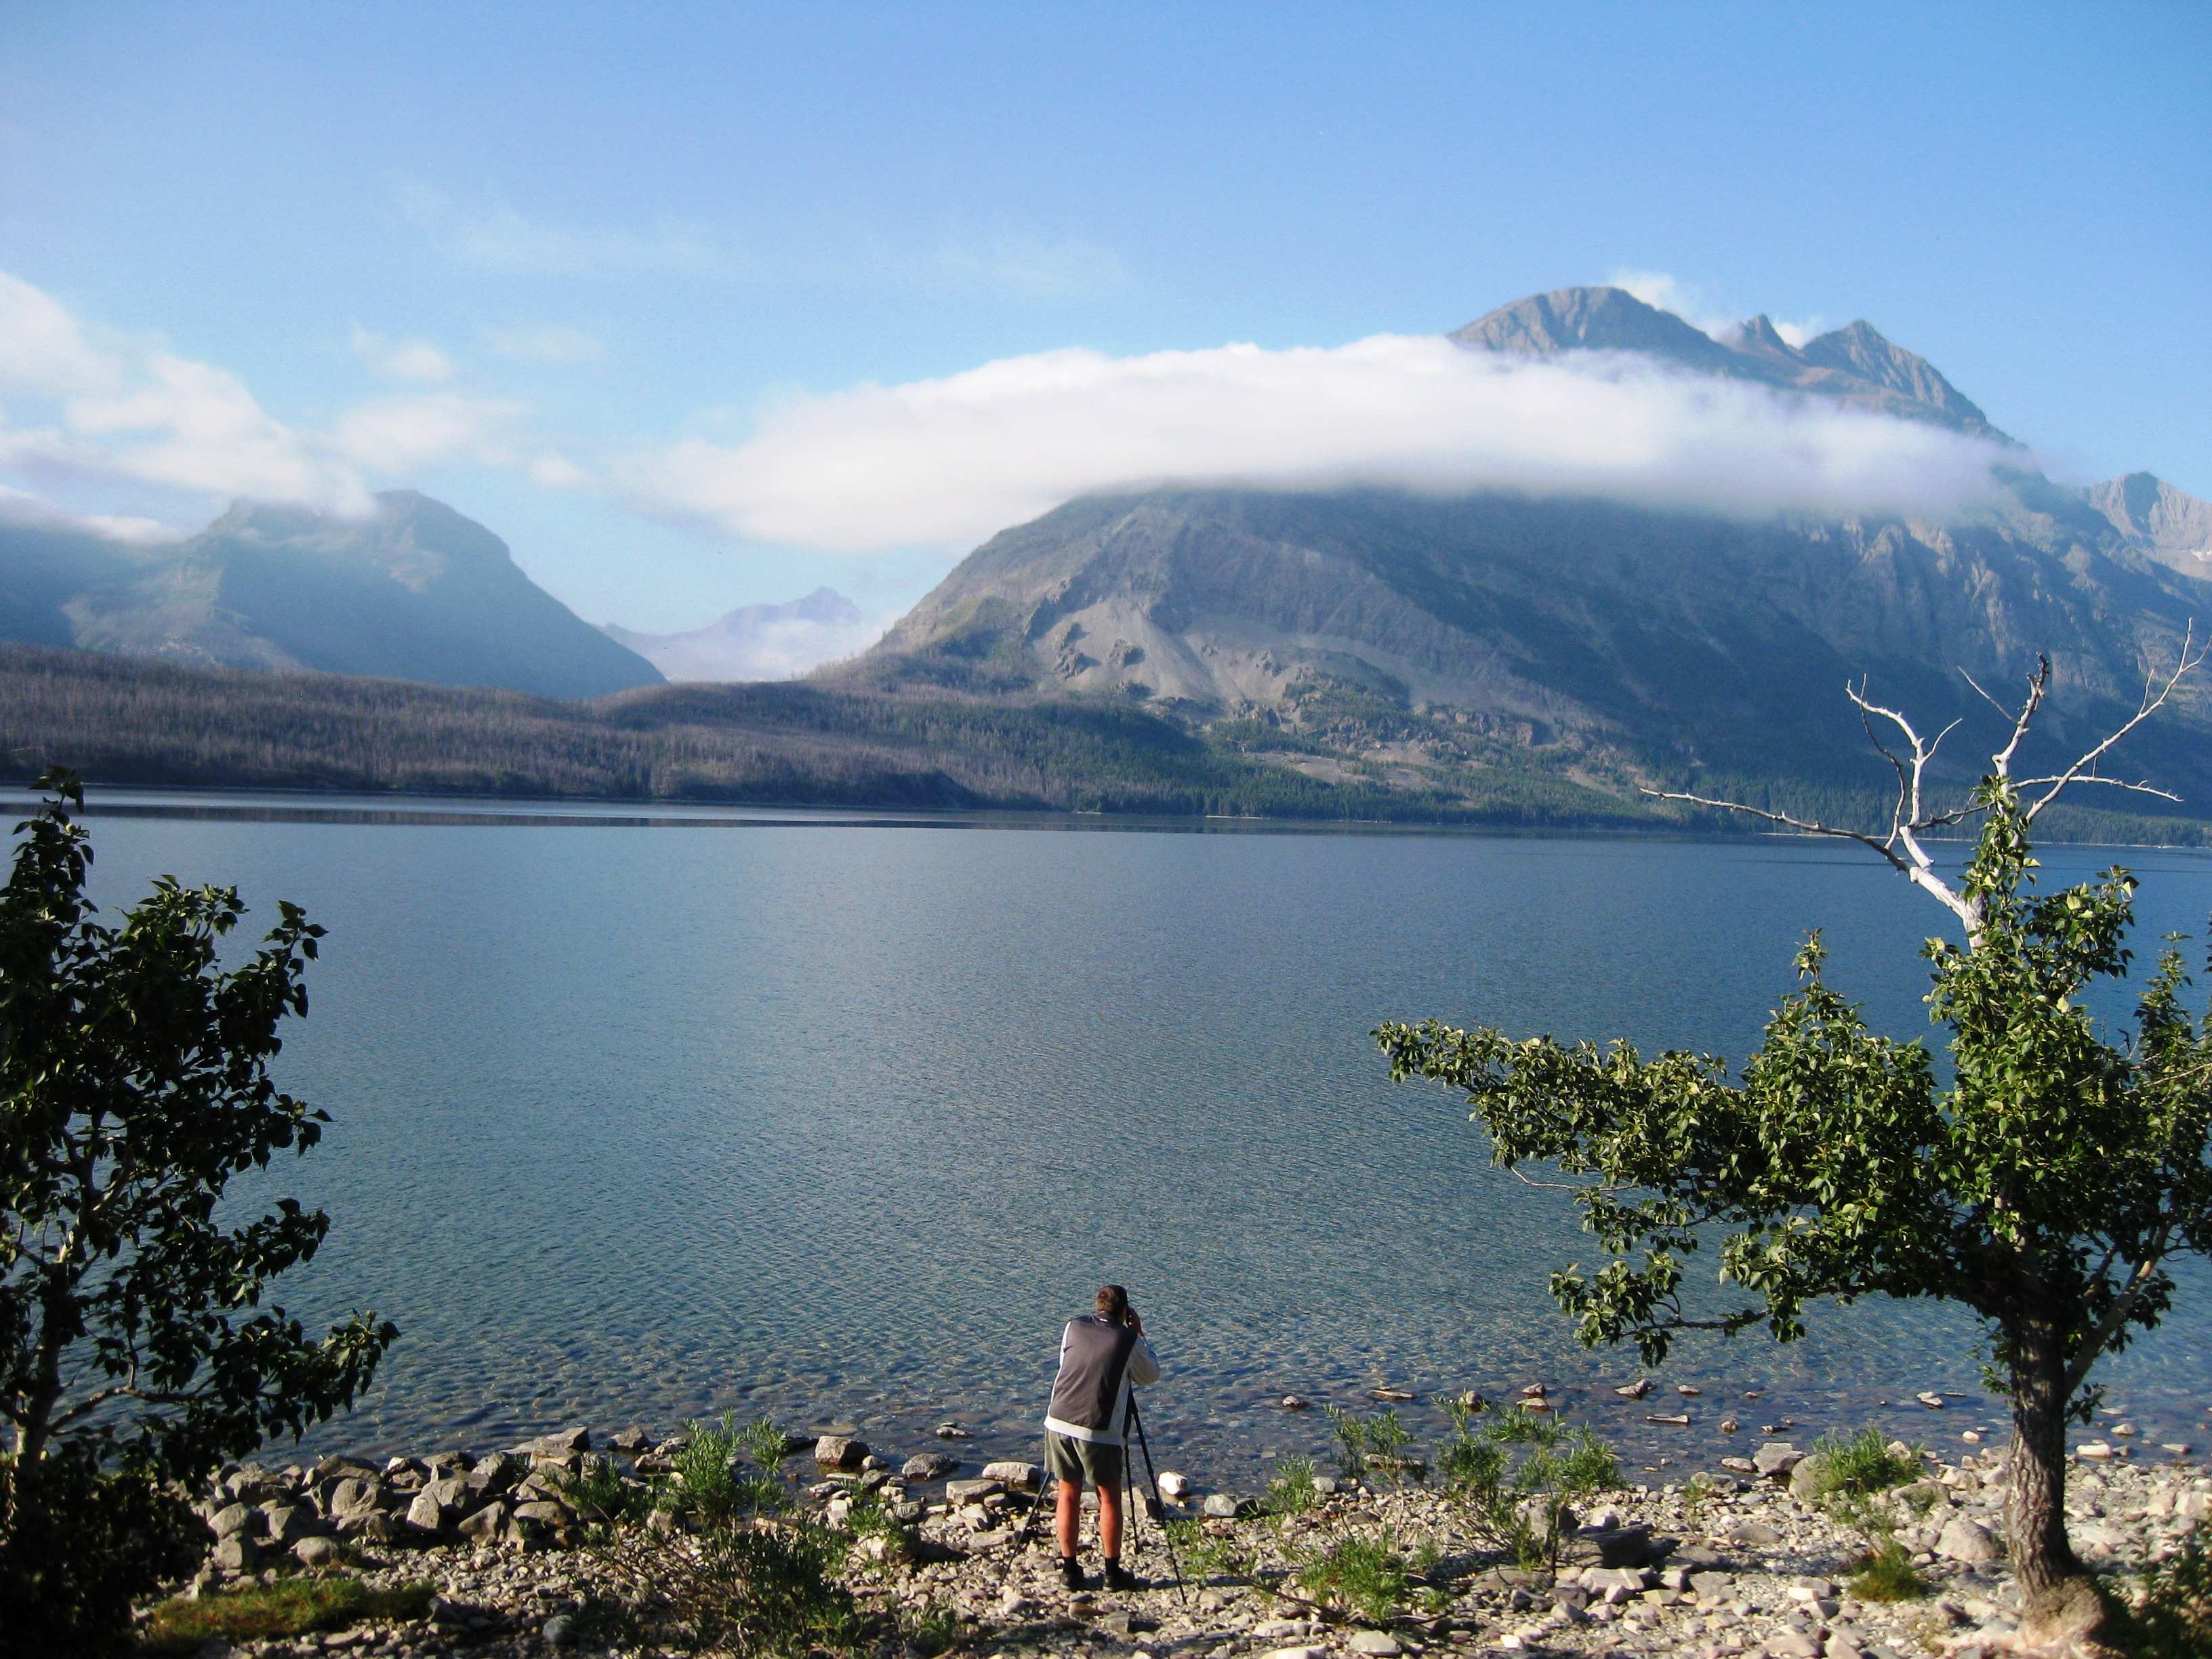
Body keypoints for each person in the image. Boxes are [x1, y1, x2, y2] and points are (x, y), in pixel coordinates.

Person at [1042, 1284, 1160, 1591]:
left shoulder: (1074, 1327)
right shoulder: (1128, 1339)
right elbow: (1150, 1375)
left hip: (1058, 1420)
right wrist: (1141, 1334)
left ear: (1098, 1307)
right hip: (1099, 1427)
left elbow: (1066, 1364)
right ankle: (1111, 1572)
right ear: (1125, 1312)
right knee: (1109, 1496)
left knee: (1067, 1491)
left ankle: (1069, 1570)